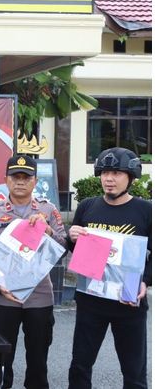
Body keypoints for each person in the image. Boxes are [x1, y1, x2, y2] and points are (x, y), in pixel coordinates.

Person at [0, 155, 66, 389]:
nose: (20, 181)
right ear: (6, 180)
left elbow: (63, 246)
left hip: (39, 297)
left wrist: (47, 231)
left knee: (38, 357)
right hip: (4, 297)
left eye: (26, 177)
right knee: (0, 357)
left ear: (35, 181)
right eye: (15, 176)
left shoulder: (48, 210)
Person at [67, 147, 151, 389]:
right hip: (90, 300)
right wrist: (71, 238)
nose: (109, 179)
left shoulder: (146, 211)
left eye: (116, 173)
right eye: (104, 173)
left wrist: (145, 280)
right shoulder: (87, 206)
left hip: (129, 300)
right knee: (80, 366)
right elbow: (77, 252)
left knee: (134, 372)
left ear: (131, 178)